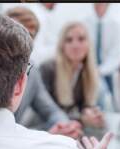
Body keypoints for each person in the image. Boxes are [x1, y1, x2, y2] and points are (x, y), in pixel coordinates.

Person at [0, 14, 112, 149]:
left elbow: (51, 110)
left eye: (31, 36)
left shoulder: (37, 73)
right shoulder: (46, 69)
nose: (76, 45)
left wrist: (69, 124)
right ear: (21, 83)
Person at [6, 6, 82, 139]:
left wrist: (65, 126)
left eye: (30, 36)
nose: (23, 42)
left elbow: (51, 110)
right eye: (16, 34)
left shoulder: (32, 72)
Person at [39, 22, 105, 129]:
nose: (75, 45)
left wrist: (91, 113)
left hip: (73, 129)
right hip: (48, 129)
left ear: (89, 44)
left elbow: (84, 105)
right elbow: (48, 111)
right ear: (62, 45)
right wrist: (81, 118)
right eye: (69, 40)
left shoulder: (87, 71)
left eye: (81, 39)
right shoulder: (47, 69)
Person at [84, 3, 120, 94]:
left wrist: (100, 71)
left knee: (111, 94)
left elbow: (115, 54)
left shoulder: (115, 25)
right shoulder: (84, 23)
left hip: (107, 70)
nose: (99, 5)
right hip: (87, 68)